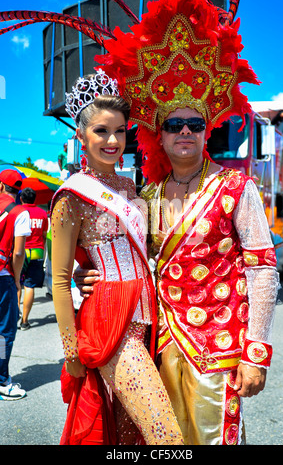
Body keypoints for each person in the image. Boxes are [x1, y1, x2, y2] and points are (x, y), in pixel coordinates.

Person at [73, 0, 279, 445]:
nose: (185, 131)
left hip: (221, 353)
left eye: (195, 123)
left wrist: (256, 354)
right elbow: (122, 260)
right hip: (162, 347)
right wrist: (86, 277)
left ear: (208, 130)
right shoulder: (143, 197)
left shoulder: (236, 188)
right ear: (157, 134)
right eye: (173, 123)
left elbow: (263, 270)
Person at [50, 70, 183, 445]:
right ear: (81, 135)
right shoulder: (71, 197)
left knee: (129, 437)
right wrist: (71, 350)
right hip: (110, 323)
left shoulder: (128, 185)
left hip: (147, 319)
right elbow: (60, 279)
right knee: (166, 436)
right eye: (101, 131)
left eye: (120, 131)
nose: (112, 140)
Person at [0, 170, 31, 400]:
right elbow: (18, 252)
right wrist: (17, 279)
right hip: (3, 277)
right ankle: (2, 381)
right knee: (4, 332)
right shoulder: (20, 212)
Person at [18, 187, 48, 330]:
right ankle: (24, 321)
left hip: (21, 250)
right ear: (35, 199)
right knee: (29, 286)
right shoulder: (42, 213)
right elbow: (43, 235)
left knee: (17, 283)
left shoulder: (18, 212)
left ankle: (15, 314)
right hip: (37, 251)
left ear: (22, 199)